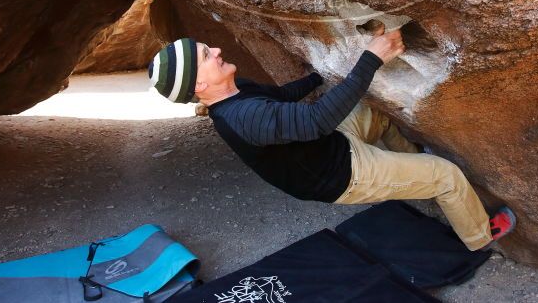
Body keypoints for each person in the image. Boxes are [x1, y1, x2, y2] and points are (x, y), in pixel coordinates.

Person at [148, 27, 516, 251]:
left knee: (376, 119)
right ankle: (481, 236)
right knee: (446, 174)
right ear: (198, 85)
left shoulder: (236, 90)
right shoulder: (243, 118)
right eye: (207, 55)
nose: (217, 51)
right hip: (341, 174)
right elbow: (316, 121)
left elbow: (284, 97)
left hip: (331, 148)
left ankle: (414, 168)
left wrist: (318, 75)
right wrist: (370, 58)